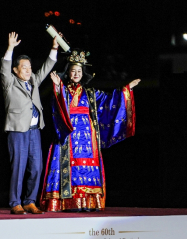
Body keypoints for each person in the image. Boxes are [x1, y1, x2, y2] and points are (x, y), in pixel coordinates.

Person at [40, 50, 139, 212]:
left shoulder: (91, 94)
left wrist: (126, 90)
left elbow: (109, 102)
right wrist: (58, 87)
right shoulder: (62, 91)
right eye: (73, 70)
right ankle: (68, 202)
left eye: (79, 71)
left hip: (88, 138)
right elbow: (57, 108)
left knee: (87, 168)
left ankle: (87, 202)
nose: (76, 74)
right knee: (71, 167)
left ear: (83, 73)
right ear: (68, 72)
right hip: (68, 135)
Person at [1, 32, 59, 215]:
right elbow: (4, 67)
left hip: (34, 130)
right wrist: (10, 48)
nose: (28, 70)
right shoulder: (9, 82)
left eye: (29, 67)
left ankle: (30, 201)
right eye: (24, 68)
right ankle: (15, 202)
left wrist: (54, 48)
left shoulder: (33, 80)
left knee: (36, 166)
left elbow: (46, 67)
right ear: (16, 70)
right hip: (18, 130)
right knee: (18, 166)